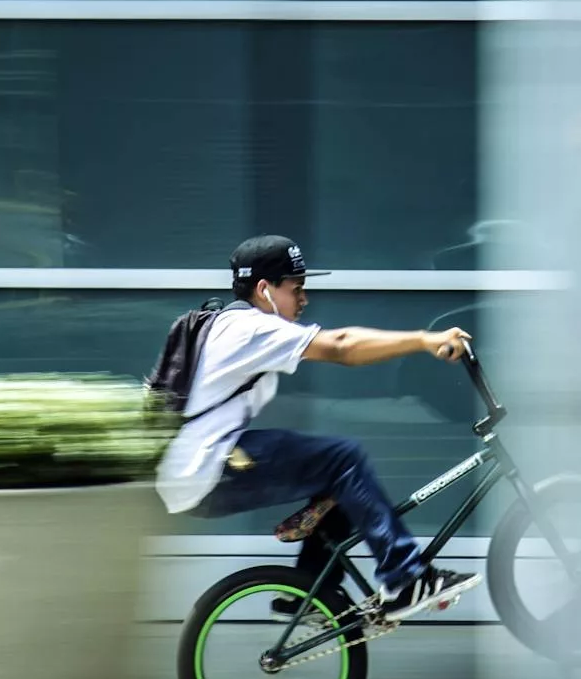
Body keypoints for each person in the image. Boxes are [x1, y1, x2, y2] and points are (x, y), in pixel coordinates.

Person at [154, 234, 482, 623]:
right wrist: (425, 339)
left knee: (335, 476)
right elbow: (342, 346)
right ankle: (404, 578)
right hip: (206, 470)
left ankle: (309, 593)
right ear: (264, 289)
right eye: (296, 288)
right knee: (343, 458)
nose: (304, 299)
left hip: (196, 469)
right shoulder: (251, 327)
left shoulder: (230, 326)